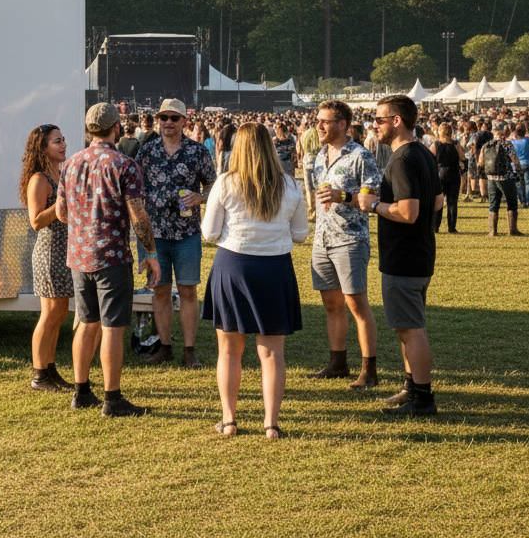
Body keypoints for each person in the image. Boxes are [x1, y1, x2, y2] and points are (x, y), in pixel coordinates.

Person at [201, 123, 309, 439]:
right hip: (275, 268)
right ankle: (271, 424)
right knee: (272, 352)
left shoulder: (225, 183)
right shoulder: (290, 185)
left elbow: (209, 232)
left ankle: (230, 420)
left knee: (230, 350)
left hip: (233, 265)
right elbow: (301, 234)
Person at [56, 102, 160, 417]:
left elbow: (61, 213)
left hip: (78, 256)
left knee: (87, 324)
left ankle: (81, 391)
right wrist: (151, 253)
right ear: (116, 127)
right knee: (113, 328)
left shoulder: (70, 163)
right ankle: (112, 399)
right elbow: (138, 214)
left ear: (88, 130)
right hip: (112, 256)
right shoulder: (125, 165)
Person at [359, 95, 442, 416]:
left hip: (405, 256)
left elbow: (408, 212)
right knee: (408, 325)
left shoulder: (403, 159)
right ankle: (411, 388)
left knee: (411, 327)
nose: (374, 125)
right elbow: (435, 202)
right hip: (419, 251)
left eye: (378, 119)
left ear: (397, 121)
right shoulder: (422, 152)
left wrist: (374, 205)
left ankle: (422, 397)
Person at [304, 101, 382, 389]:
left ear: (342, 125)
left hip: (350, 239)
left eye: (325, 121)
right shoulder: (320, 155)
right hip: (322, 239)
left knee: (356, 304)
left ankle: (369, 371)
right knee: (331, 304)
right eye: (318, 121)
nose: (319, 126)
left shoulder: (361, 156)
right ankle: (337, 364)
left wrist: (344, 196)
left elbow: (372, 199)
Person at [135, 98, 217, 368]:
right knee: (160, 291)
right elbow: (134, 189)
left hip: (186, 233)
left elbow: (213, 184)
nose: (167, 122)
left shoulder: (197, 152)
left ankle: (190, 350)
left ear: (184, 121)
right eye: (163, 118)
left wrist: (201, 197)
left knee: (188, 291)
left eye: (173, 118)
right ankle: (165, 346)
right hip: (154, 235)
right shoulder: (147, 152)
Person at [21, 124, 74, 393]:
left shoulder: (61, 173)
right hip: (49, 252)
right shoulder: (39, 179)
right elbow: (36, 221)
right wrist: (61, 202)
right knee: (49, 314)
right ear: (43, 148)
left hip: (65, 252)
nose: (63, 145)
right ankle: (39, 375)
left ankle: (50, 370)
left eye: (63, 140)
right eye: (57, 142)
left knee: (60, 312)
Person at [478, 121, 522, 237]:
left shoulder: (486, 145)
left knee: (493, 204)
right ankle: (512, 230)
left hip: (491, 178)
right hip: (506, 177)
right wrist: (519, 172)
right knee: (512, 203)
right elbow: (515, 160)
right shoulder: (507, 144)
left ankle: (492, 232)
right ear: (503, 133)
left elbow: (481, 163)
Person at [430, 123, 462, 233]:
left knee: (438, 201)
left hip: (439, 174)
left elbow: (430, 158)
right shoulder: (456, 144)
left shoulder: (435, 145)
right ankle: (451, 227)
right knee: (452, 202)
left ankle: (435, 226)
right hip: (453, 173)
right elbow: (463, 158)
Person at [511, 124, 529, 209]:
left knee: (518, 183)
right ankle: (528, 201)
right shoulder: (528, 140)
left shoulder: (512, 142)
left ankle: (521, 200)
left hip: (516, 165)